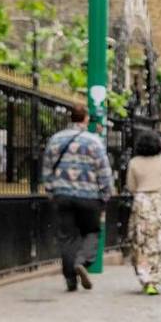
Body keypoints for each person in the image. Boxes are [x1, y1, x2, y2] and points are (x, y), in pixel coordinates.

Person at [41, 104, 113, 292]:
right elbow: (104, 171)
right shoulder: (94, 141)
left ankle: (70, 280)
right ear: (86, 119)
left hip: (62, 195)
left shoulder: (55, 140)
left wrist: (51, 191)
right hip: (88, 197)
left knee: (67, 237)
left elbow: (47, 169)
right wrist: (106, 194)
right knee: (91, 232)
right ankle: (82, 261)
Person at [125, 130, 161, 295]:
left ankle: (146, 279)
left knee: (143, 244)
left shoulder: (134, 162)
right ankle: (156, 278)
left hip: (142, 204)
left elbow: (131, 186)